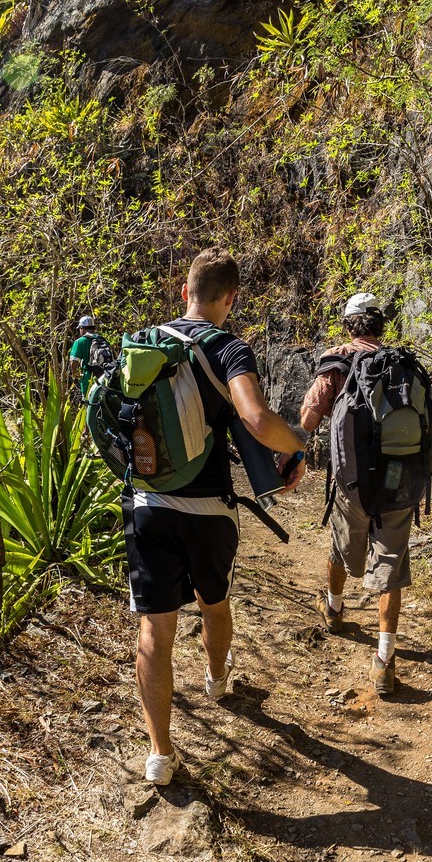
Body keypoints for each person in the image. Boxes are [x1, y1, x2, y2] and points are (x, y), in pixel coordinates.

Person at [126, 249, 306, 785]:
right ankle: (217, 678)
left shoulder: (144, 342)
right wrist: (296, 445)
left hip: (147, 505)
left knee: (154, 628)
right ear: (230, 300)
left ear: (185, 292)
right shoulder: (228, 345)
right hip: (208, 511)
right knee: (214, 602)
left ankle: (160, 754)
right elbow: (254, 417)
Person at [299, 292, 417, 697]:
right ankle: (384, 663)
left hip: (352, 485)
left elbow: (308, 417)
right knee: (392, 568)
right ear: (380, 325)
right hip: (400, 482)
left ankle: (333, 609)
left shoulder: (339, 361)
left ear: (349, 325)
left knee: (340, 545)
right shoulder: (403, 363)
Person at [69, 314, 104, 398]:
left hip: (89, 378)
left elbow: (74, 362)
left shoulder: (80, 342)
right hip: (104, 377)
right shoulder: (102, 339)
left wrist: (75, 374)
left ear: (82, 328)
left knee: (89, 402)